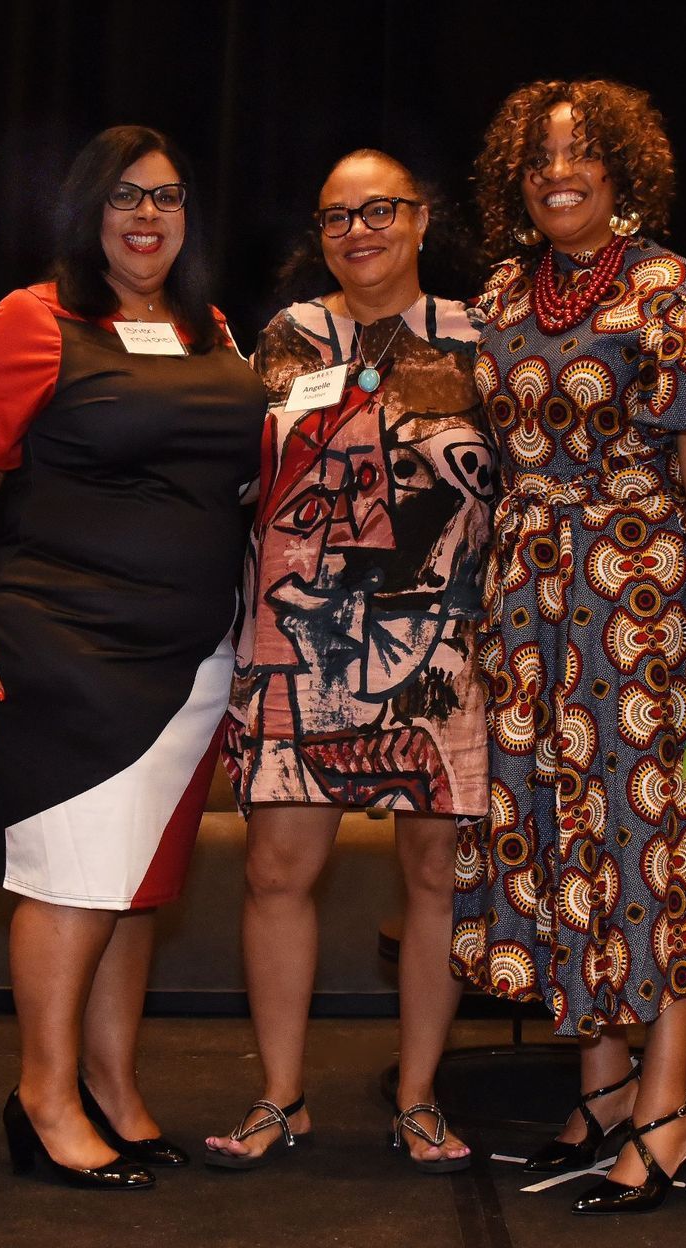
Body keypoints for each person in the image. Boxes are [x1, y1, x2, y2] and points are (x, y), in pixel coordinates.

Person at [453, 78, 686, 1214]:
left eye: (583, 153)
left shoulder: (668, 291)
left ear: (623, 172)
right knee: (558, 842)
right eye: (542, 156)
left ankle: (667, 1109)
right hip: (527, 608)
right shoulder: (504, 290)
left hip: (641, 603)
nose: (561, 171)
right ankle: (599, 1096)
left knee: (658, 843)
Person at [0, 125, 263, 1191]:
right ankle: (44, 1099)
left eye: (167, 197)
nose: (147, 217)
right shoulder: (27, 322)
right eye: (125, 197)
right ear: (88, 211)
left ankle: (114, 1091)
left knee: (134, 887)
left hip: (189, 656)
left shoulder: (210, 326)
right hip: (67, 646)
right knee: (73, 880)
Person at [202, 151, 491, 1174]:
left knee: (433, 874)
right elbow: (239, 481)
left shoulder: (478, 334)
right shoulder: (284, 338)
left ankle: (418, 1099)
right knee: (278, 870)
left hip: (442, 642)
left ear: (422, 218)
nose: (358, 231)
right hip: (294, 639)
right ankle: (283, 1097)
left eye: (379, 211)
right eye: (336, 217)